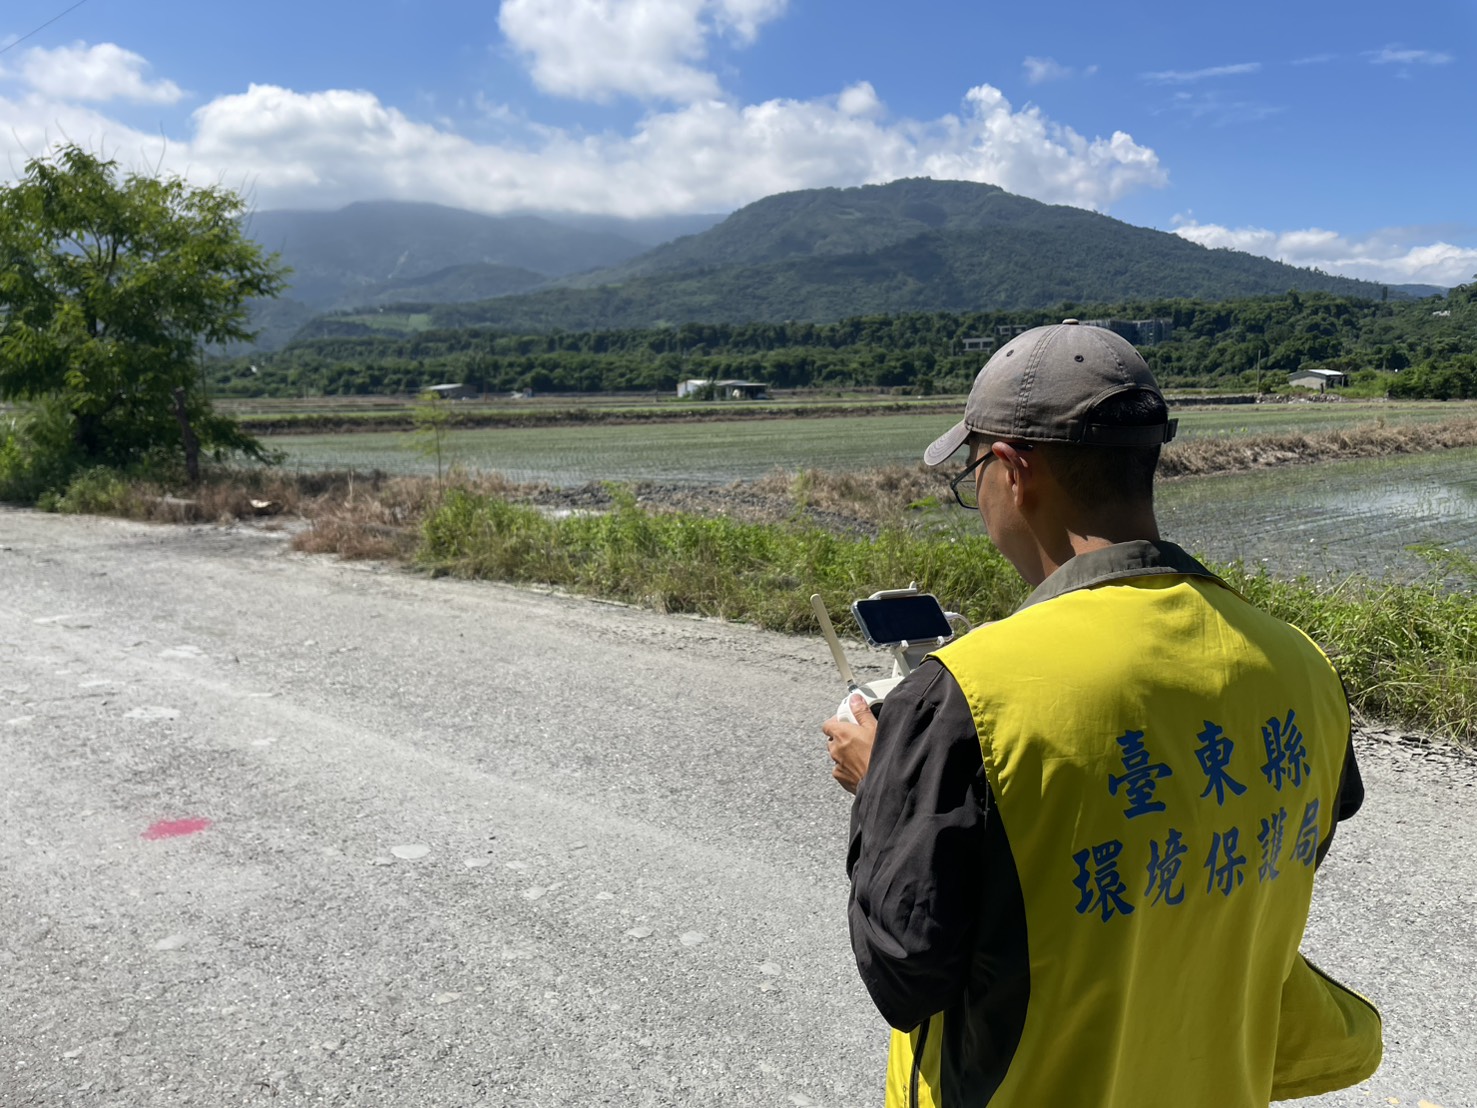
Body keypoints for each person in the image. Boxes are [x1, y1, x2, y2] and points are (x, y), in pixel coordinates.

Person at [822, 320, 1382, 1108]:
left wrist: (884, 786)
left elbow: (905, 972)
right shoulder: (1298, 661)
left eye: (972, 473)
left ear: (1013, 471)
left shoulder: (964, 695)